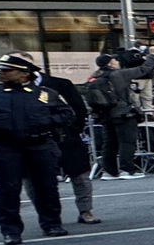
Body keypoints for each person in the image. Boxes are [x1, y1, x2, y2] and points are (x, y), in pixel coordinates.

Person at [0, 53, 72, 244]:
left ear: (24, 74)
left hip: (39, 146)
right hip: (5, 148)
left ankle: (52, 224)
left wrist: (45, 122)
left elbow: (67, 114)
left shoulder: (45, 94)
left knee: (46, 188)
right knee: (7, 191)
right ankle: (11, 231)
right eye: (1, 70)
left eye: (7, 70)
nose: (2, 73)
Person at [8, 53, 101, 226]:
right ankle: (46, 215)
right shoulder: (9, 90)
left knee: (79, 175)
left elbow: (78, 109)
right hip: (33, 142)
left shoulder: (59, 85)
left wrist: (72, 130)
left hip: (64, 137)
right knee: (33, 179)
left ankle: (85, 210)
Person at [88, 48, 154, 179]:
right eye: (114, 59)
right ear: (110, 63)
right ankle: (126, 170)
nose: (117, 61)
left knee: (109, 144)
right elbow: (144, 69)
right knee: (127, 142)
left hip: (105, 115)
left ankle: (109, 172)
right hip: (123, 113)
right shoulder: (118, 74)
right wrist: (152, 56)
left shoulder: (94, 76)